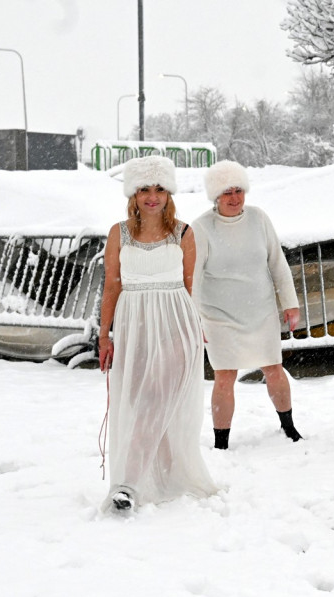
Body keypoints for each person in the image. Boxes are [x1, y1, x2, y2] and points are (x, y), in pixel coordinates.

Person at [98, 156, 217, 513]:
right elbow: (111, 286)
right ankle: (165, 478)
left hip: (176, 324)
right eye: (145, 189)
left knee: (153, 401)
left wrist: (197, 326)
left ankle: (127, 485)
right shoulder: (118, 233)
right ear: (133, 194)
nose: (153, 197)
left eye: (160, 189)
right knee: (143, 403)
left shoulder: (184, 233)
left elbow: (191, 286)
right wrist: (104, 336)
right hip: (134, 327)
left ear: (169, 194)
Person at [191, 160, 303, 449]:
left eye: (238, 190)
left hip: (261, 312)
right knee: (225, 376)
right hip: (219, 317)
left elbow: (277, 263)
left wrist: (290, 303)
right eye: (227, 192)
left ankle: (289, 426)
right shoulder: (201, 228)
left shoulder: (259, 218)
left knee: (274, 368)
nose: (234, 198)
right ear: (215, 195)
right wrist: (194, 319)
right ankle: (221, 442)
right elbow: (193, 278)